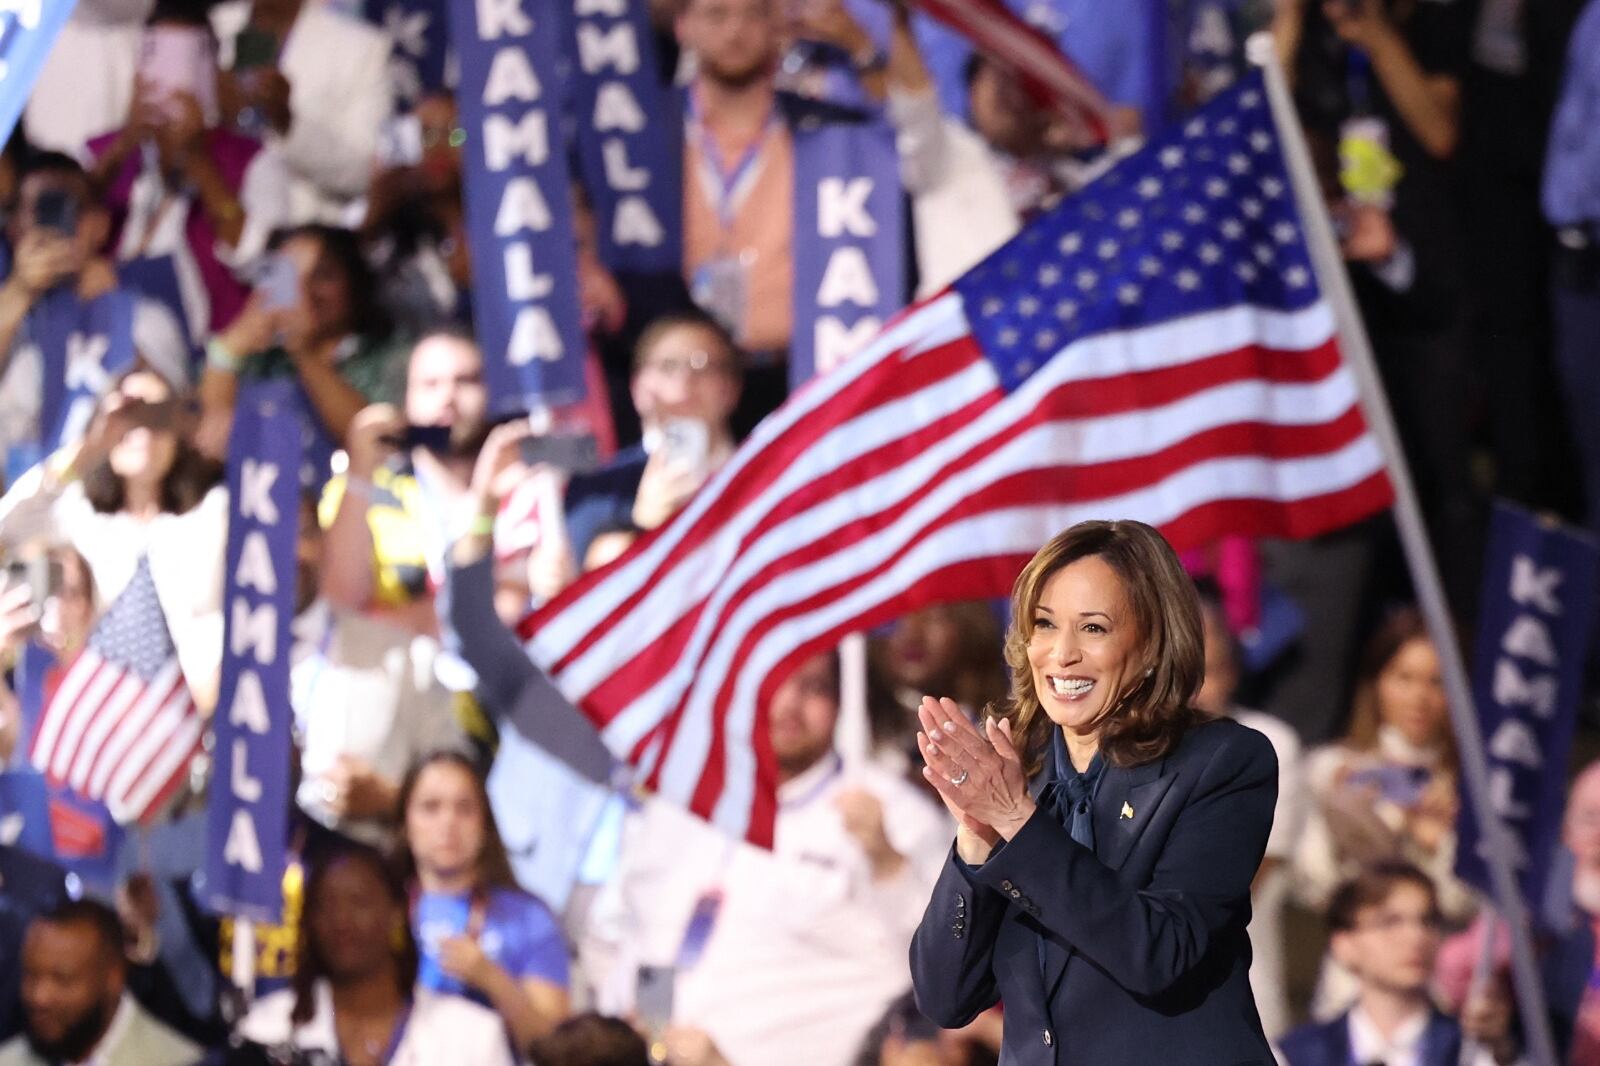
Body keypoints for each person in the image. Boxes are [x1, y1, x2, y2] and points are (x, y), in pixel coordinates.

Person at [909, 519, 1278, 1063]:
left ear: (1152, 642)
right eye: (1044, 624)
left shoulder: (1221, 764)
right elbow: (946, 997)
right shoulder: (1020, 771)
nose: (1061, 654)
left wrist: (1015, 820)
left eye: (1094, 628)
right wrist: (976, 835)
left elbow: (1159, 953)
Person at [580, 647, 951, 1066]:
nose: (790, 703)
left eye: (813, 688)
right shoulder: (682, 799)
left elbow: (944, 968)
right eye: (775, 682)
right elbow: (612, 933)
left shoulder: (893, 813)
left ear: (842, 699)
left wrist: (887, 863)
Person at [0, 370, 226, 712]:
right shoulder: (83, 519)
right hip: (110, 715)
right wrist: (89, 448)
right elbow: (9, 527)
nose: (144, 430)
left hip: (194, 711)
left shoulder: (213, 512)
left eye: (157, 414)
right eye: (129, 416)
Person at [1290, 606, 1476, 1016]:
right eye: (1403, 678)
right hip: (1352, 990)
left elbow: (1462, 905)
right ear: (1376, 683)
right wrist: (1359, 818)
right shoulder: (1333, 770)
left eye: (1437, 681)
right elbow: (1314, 883)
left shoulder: (1474, 789)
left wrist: (1438, 842)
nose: (1419, 697)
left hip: (1443, 993)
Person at [87, 0, 293, 337]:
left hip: (213, 353)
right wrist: (125, 145)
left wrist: (200, 162)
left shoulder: (254, 161)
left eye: (186, 60)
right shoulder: (100, 154)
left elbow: (273, 270)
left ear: (211, 69)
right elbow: (60, 221)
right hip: (105, 339)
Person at [236, 844, 514, 1066]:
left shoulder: (473, 1034)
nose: (342, 921)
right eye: (325, 906)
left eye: (359, 902)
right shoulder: (266, 1030)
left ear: (396, 913)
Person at [0, 151, 190, 472]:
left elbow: (177, 422)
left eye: (59, 206)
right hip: (25, 504)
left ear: (99, 225)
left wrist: (113, 317)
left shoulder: (142, 315)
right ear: (13, 228)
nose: (43, 223)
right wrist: (19, 293)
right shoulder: (13, 317)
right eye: (29, 211)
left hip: (112, 501)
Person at [395, 751, 571, 1053]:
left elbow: (556, 1051)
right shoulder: (380, 908)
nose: (448, 822)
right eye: (430, 807)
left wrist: (493, 981)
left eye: (464, 808)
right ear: (404, 822)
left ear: (485, 825)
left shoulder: (529, 917)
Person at [1192, 583, 1306, 1040]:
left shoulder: (1269, 744)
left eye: (1210, 670)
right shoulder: (1117, 758)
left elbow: (1243, 878)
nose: (1195, 689)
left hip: (1243, 1006)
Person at [1276, 862, 1520, 1066]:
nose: (1416, 937)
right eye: (1390, 922)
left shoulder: (1470, 1052)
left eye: (1427, 921)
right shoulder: (1296, 1055)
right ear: (1344, 944)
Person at [559, 310, 743, 579]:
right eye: (668, 366)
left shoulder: (766, 473)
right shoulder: (595, 490)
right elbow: (582, 593)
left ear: (731, 388)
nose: (685, 382)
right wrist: (644, 526)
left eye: (703, 365)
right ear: (637, 388)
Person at [199, 223, 407, 454]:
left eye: (323, 275)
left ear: (354, 282)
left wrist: (301, 348)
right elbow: (208, 438)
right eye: (288, 278)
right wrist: (231, 347)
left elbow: (377, 443)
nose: (304, 292)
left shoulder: (393, 354)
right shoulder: (259, 361)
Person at [210, 0, 394, 222]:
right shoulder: (209, 28)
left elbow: (363, 173)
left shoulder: (360, 48)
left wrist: (287, 123)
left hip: (300, 232)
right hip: (210, 224)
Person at [0, 898, 201, 1066]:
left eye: (62, 979)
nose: (39, 997)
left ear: (113, 976)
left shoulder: (181, 1061)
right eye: (31, 975)